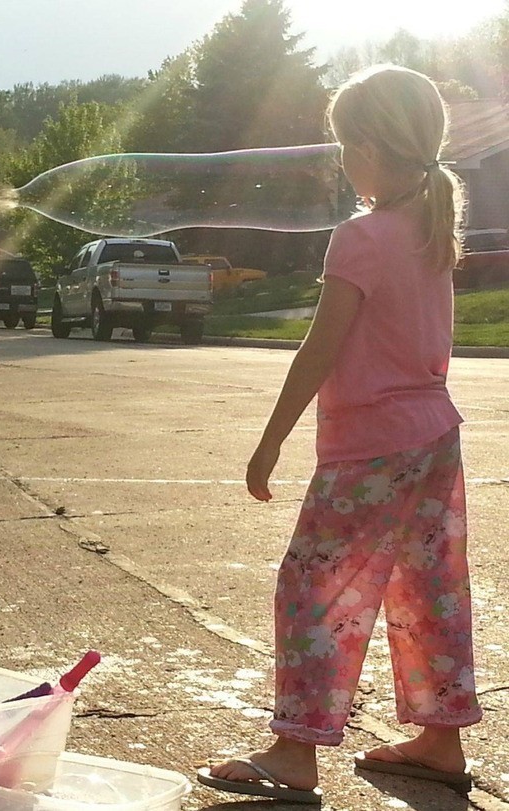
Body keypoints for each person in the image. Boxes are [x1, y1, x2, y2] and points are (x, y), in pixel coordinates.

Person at [197, 64, 482, 804]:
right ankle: (438, 737)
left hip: (371, 448)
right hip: (433, 436)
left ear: (374, 145)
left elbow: (318, 349)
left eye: (347, 143)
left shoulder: (360, 237)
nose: (342, 158)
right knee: (427, 590)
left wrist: (270, 441)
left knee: (312, 589)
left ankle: (294, 752)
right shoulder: (430, 229)